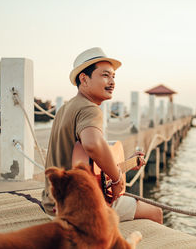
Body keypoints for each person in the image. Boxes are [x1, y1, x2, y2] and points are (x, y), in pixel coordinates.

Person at [42, 47, 163, 224]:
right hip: (79, 208)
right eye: (105, 75)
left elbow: (87, 162)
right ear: (84, 79)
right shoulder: (90, 108)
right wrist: (117, 178)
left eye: (114, 76)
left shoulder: (65, 108)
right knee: (156, 213)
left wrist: (125, 164)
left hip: (53, 203)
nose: (112, 82)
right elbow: (93, 145)